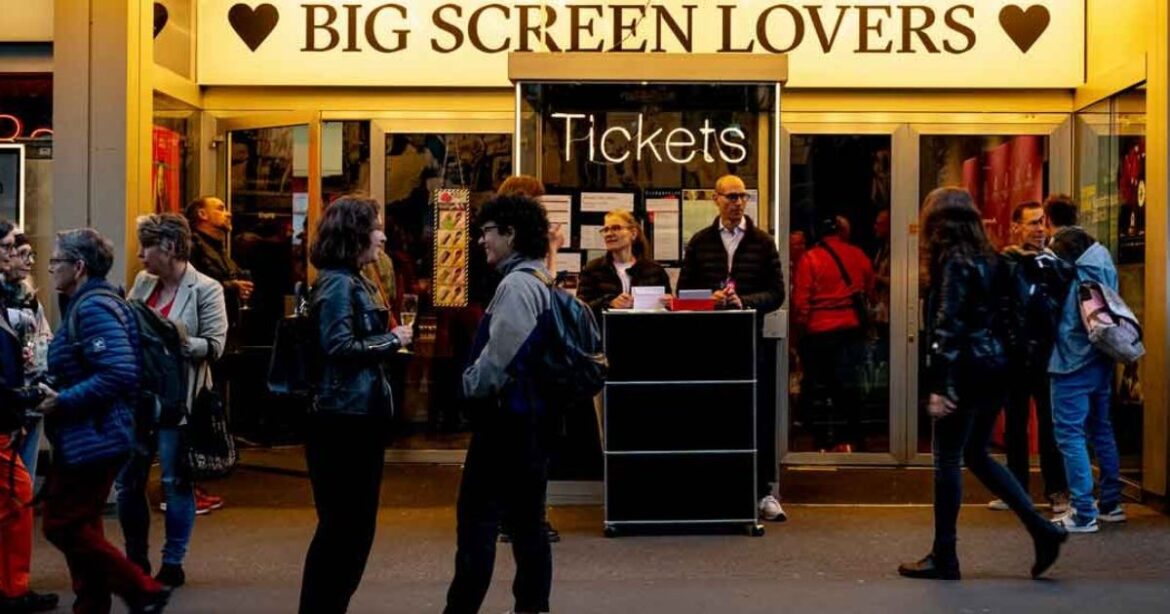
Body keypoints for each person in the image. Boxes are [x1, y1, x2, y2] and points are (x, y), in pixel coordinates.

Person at [898, 188, 1066, 581]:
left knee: (946, 458)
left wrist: (940, 385)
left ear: (937, 222)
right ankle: (1042, 530)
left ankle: (945, 555)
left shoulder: (953, 261)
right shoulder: (990, 256)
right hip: (995, 369)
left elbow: (948, 325)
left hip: (965, 371)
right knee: (976, 453)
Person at [39, 228, 170, 613]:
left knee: (61, 523)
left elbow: (117, 372)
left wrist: (63, 400)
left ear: (78, 267)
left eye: (56, 261)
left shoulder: (93, 307)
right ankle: (93, 602)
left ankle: (140, 588)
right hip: (91, 432)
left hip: (95, 433)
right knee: (83, 523)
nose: (51, 268)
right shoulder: (86, 303)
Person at [299, 196, 413, 614]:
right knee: (345, 527)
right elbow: (338, 345)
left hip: (353, 415)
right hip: (343, 418)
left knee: (351, 527)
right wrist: (392, 341)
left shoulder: (352, 279)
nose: (382, 236)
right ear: (356, 234)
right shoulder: (339, 284)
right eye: (376, 228)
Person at [444, 194, 556, 614]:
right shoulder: (541, 279)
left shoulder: (516, 286)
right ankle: (532, 606)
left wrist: (468, 385)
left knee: (477, 521)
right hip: (532, 419)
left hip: (506, 421)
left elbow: (499, 358)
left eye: (487, 231)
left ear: (511, 234)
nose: (481, 240)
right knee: (528, 523)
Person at [117, 214, 228, 589]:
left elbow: (215, 345)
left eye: (146, 246)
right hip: (140, 396)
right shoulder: (143, 283)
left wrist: (172, 338)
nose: (140, 254)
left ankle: (173, 561)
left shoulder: (206, 289)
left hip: (180, 399)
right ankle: (135, 557)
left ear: (168, 247)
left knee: (174, 479)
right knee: (129, 481)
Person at [678, 174, 787, 522]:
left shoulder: (762, 242)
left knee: (756, 415)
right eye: (731, 196)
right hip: (709, 343)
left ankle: (763, 492)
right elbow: (684, 294)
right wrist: (708, 300)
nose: (737, 203)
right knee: (713, 414)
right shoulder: (700, 242)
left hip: (749, 341)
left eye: (742, 196)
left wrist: (746, 302)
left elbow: (777, 293)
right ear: (716, 199)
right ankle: (715, 490)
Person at [1043, 194, 1125, 533]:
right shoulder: (1100, 252)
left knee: (1069, 433)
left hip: (1070, 355)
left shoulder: (1057, 251)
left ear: (1048, 219)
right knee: (1101, 428)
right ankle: (1111, 503)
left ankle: (1082, 512)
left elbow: (1046, 301)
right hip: (1102, 351)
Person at [987, 202, 1069, 513]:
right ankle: (1017, 491)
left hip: (1048, 354)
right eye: (1033, 223)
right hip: (1015, 355)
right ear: (1016, 227)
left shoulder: (1053, 262)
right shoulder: (1007, 261)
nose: (1039, 229)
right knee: (1015, 426)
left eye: (1042, 222)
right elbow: (999, 307)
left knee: (1050, 425)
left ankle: (1057, 491)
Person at [0, 222, 58, 614]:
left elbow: (42, 343)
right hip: (10, 407)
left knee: (17, 494)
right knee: (17, 495)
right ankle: (13, 589)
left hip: (19, 405)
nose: (22, 257)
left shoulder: (25, 299)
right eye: (11, 247)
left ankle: (12, 585)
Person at [185, 196, 249, 513]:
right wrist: (230, 286)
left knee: (206, 407)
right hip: (201, 338)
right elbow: (194, 288)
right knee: (197, 409)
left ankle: (192, 481)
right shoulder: (195, 248)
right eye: (220, 208)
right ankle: (184, 485)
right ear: (201, 214)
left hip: (216, 335)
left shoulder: (217, 247)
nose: (228, 213)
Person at [791, 216, 874, 452]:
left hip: (820, 331)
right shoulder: (857, 254)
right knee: (849, 386)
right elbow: (869, 288)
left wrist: (799, 329)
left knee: (820, 386)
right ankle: (852, 437)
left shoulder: (810, 258)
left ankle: (821, 438)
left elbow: (801, 301)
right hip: (851, 329)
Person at [3, 232, 53, 485]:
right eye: (22, 254)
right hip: (7, 400)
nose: (29, 261)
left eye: (31, 254)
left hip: (31, 396)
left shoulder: (30, 299)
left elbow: (44, 338)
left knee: (26, 478)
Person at [578, 209, 672, 320]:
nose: (609, 234)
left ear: (633, 233)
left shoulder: (654, 270)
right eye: (606, 230)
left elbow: (668, 311)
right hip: (607, 329)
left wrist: (670, 303)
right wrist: (610, 303)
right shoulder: (593, 269)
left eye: (616, 228)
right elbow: (580, 309)